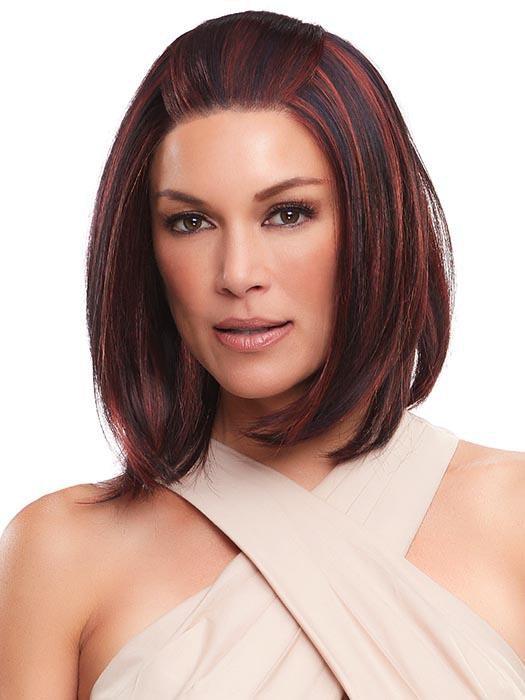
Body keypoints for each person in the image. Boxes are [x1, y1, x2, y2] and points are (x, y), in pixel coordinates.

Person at [1, 9, 523, 699]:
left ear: (374, 226)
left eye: (287, 213)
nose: (237, 273)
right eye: (189, 221)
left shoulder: (513, 517)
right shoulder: (60, 554)